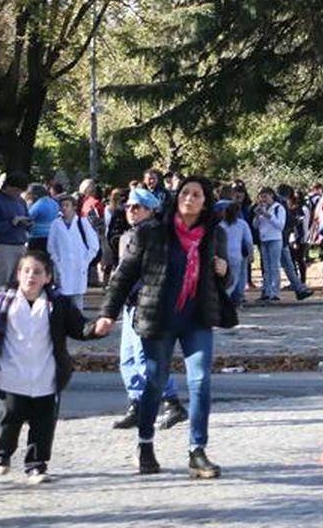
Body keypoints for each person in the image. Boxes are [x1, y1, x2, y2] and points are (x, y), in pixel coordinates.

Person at [95, 176, 232, 479]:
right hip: (158, 317)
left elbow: (225, 280)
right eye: (185, 192)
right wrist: (108, 313)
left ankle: (197, 452)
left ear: (205, 201)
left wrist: (224, 271)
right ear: (177, 197)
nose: (190, 198)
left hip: (196, 318)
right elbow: (124, 275)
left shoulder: (213, 234)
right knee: (155, 382)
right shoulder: (153, 232)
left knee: (201, 382)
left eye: (197, 195)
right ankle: (145, 446)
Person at [0, 249, 102, 484]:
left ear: (47, 277)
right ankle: (2, 454)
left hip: (46, 375)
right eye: (26, 271)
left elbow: (80, 328)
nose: (31, 276)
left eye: (37, 272)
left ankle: (36, 466)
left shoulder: (58, 304)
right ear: (18, 274)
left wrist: (98, 328)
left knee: (43, 425)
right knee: (8, 422)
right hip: (10, 375)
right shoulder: (0, 300)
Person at [110, 187, 189, 435]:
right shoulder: (128, 236)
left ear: (151, 210)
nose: (131, 211)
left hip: (149, 303)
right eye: (129, 207)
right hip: (130, 303)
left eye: (137, 207)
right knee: (129, 358)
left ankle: (172, 403)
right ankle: (136, 405)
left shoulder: (160, 236)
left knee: (147, 359)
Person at [46, 195, 100, 310]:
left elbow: (94, 245)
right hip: (62, 266)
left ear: (74, 207)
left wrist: (85, 261)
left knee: (77, 298)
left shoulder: (82, 223)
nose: (64, 208)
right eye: (62, 206)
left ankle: (77, 324)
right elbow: (51, 246)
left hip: (79, 266)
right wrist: (57, 261)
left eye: (67, 205)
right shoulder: (56, 224)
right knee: (63, 297)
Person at [0, 174, 31, 288]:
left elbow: (26, 217)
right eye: (16, 190)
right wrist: (11, 223)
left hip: (20, 244)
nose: (18, 194)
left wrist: (27, 224)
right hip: (3, 245)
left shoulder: (20, 201)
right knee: (1, 282)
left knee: (19, 282)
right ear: (8, 186)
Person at [25, 183, 59, 253]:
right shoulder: (54, 203)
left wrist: (28, 205)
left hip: (37, 237)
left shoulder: (38, 204)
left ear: (34, 194)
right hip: (51, 235)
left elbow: (28, 217)